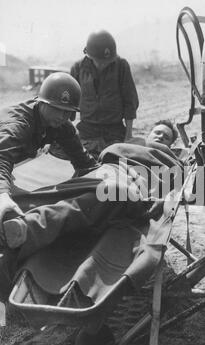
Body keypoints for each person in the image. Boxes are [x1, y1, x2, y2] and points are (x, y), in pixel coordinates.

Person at [0, 120, 180, 301]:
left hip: (133, 187)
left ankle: (27, 227)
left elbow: (178, 192)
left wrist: (159, 196)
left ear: (171, 145)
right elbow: (102, 159)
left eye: (166, 137)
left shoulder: (170, 160)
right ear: (149, 133)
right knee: (64, 195)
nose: (160, 136)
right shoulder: (130, 145)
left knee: (96, 199)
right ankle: (21, 226)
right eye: (158, 132)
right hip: (107, 173)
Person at [0, 72, 97, 243]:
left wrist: (106, 177)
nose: (61, 116)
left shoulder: (60, 124)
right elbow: (2, 160)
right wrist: (2, 194)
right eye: (56, 109)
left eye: (67, 112)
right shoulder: (18, 124)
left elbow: (85, 162)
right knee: (9, 208)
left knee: (30, 204)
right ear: (41, 102)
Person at [71, 30, 139, 159]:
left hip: (114, 131)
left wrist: (128, 135)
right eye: (99, 61)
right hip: (87, 130)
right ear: (89, 55)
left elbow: (130, 101)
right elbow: (70, 103)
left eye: (106, 62)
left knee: (115, 162)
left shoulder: (121, 66)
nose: (103, 64)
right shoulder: (78, 68)